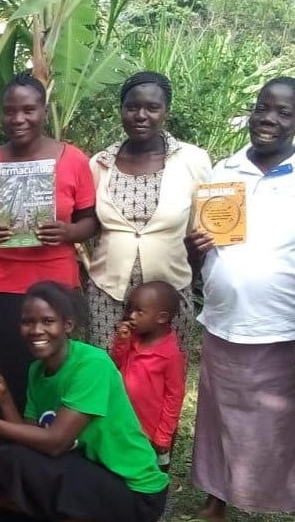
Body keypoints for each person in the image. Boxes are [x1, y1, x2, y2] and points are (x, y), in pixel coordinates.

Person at [170, 78, 295, 522]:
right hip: (226, 319)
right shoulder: (226, 171)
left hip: (293, 325)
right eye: (263, 108)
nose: (269, 118)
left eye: (283, 112)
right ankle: (215, 505)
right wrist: (193, 247)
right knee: (221, 416)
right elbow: (204, 249)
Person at [0, 282, 167, 522]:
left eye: (48, 321)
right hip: (95, 475)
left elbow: (55, 442)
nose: (36, 330)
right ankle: (87, 521)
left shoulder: (92, 365)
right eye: (28, 322)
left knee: (11, 463)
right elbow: (29, 440)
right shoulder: (38, 370)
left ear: (68, 325)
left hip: (136, 493)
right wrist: (5, 397)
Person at [0, 72, 97, 451]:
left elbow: (90, 221)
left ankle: (48, 442)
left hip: (54, 283)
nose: (18, 119)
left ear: (43, 110)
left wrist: (69, 233)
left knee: (51, 367)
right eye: (9, 111)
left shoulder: (73, 160)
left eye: (28, 109)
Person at [84, 72, 212, 349]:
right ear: (121, 110)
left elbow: (200, 229)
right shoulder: (100, 164)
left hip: (168, 296)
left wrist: (193, 260)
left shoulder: (192, 161)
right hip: (108, 293)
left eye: (152, 107)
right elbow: (90, 227)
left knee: (160, 381)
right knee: (107, 377)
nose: (141, 115)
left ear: (166, 111)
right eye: (132, 107)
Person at [107, 280, 186, 472]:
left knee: (148, 469)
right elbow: (115, 364)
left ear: (161, 317)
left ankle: (155, 498)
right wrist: (122, 342)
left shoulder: (170, 354)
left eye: (139, 311)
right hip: (124, 418)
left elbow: (174, 397)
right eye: (130, 309)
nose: (131, 316)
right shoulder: (133, 338)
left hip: (149, 429)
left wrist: (163, 435)